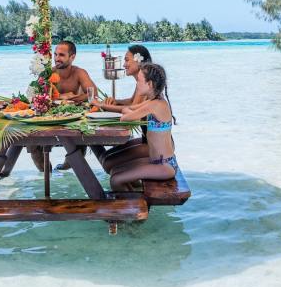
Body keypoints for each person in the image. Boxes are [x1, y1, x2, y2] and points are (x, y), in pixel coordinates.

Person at [31, 40, 97, 171]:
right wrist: (61, 96)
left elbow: (93, 94)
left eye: (61, 55)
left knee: (79, 145)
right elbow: (35, 97)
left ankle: (67, 166)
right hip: (48, 119)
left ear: (72, 57)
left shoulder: (79, 72)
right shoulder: (48, 73)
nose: (56, 58)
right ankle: (47, 172)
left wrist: (73, 98)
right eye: (55, 54)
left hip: (72, 118)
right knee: (33, 146)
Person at [109, 63, 177, 191]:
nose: (136, 84)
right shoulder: (153, 101)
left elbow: (125, 117)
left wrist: (128, 111)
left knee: (116, 180)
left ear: (150, 84)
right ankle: (134, 202)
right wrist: (129, 110)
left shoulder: (156, 105)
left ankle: (132, 209)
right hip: (159, 161)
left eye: (139, 81)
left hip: (164, 165)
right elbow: (128, 110)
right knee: (115, 170)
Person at [91, 45, 152, 173]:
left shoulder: (146, 83)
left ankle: (130, 188)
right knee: (107, 160)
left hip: (153, 146)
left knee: (108, 163)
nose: (124, 65)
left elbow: (132, 110)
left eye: (126, 60)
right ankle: (129, 185)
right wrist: (115, 101)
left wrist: (102, 105)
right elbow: (131, 101)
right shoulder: (143, 79)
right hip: (146, 140)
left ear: (138, 60)